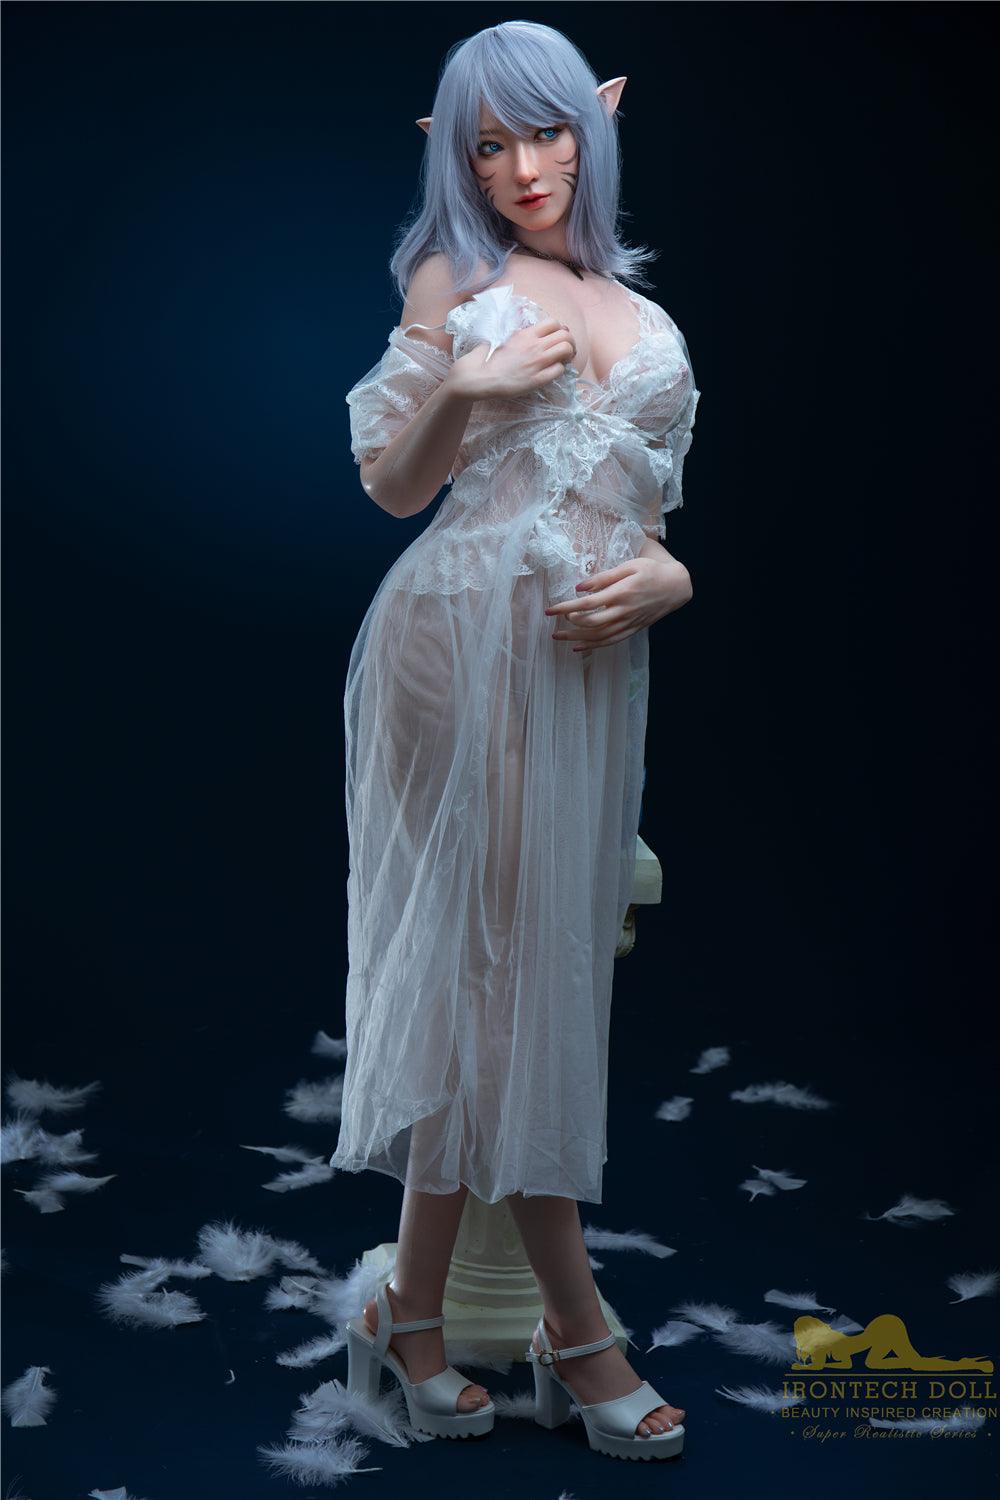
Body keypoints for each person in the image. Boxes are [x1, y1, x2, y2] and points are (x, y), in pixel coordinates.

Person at [330, 21, 699, 1457]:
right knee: (507, 979)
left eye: (547, 133)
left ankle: (410, 1313)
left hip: (585, 668)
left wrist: (673, 578)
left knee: (525, 971)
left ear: (596, 123)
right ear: (456, 157)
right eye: (490, 144)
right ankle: (578, 1329)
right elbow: (387, 482)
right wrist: (464, 389)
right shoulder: (455, 276)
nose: (526, 167)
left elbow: (645, 515)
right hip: (459, 641)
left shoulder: (627, 300)